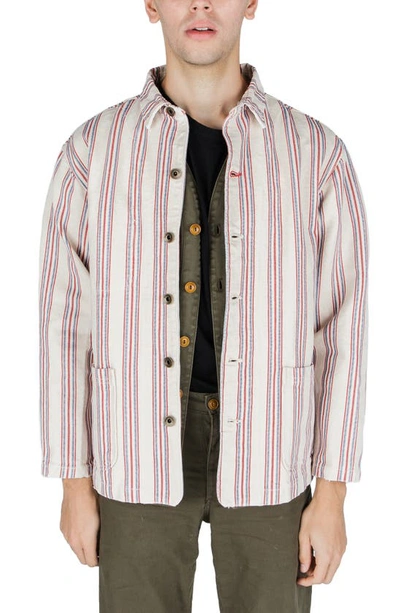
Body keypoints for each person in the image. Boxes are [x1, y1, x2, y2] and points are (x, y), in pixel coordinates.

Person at [38, 1, 369, 611]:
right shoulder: (93, 152)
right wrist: (73, 483)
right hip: (133, 447)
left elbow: (343, 327)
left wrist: (332, 494)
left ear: (251, 3)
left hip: (272, 447)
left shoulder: (316, 154)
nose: (200, 4)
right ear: (151, 5)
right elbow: (63, 325)